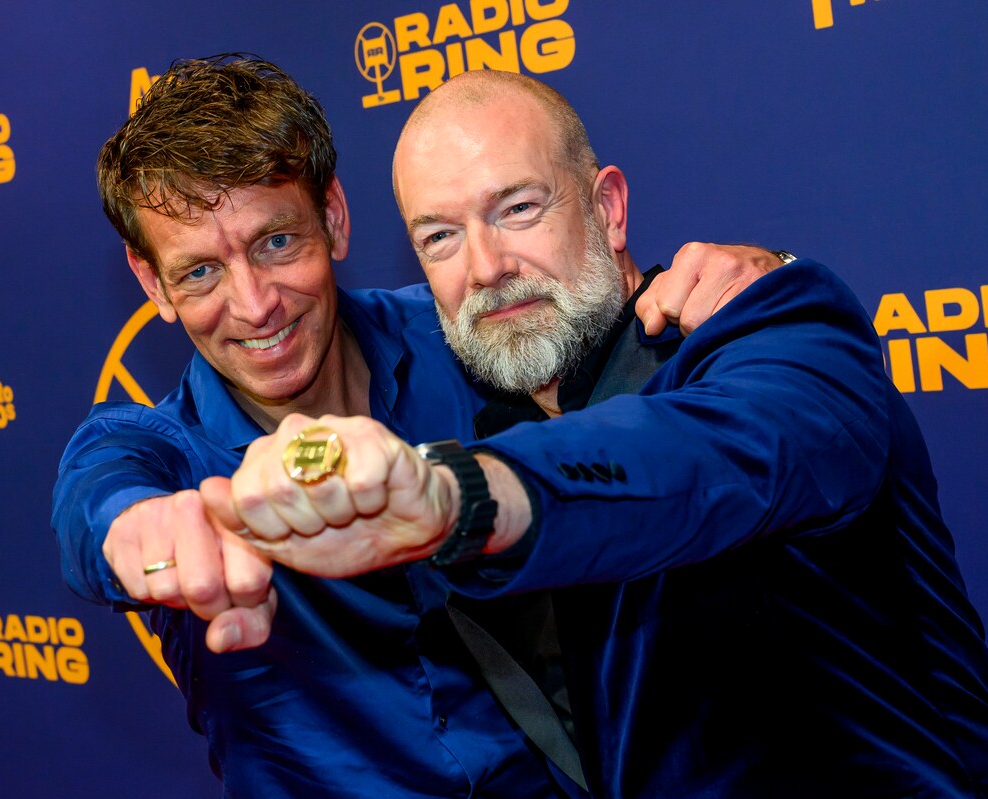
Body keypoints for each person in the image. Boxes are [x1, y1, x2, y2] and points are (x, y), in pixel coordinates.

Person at [203, 70, 988, 798]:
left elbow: (705, 454)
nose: (486, 267)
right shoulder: (486, 411)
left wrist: (461, 496)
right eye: (440, 237)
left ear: (608, 208)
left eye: (518, 209)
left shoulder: (771, 329)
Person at [52, 54, 780, 798]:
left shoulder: (472, 329)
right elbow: (99, 500)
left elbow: (637, 359)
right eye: (200, 271)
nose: (255, 304)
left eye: (276, 243)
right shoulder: (158, 453)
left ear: (334, 218)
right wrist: (140, 531)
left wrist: (761, 275)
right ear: (152, 282)